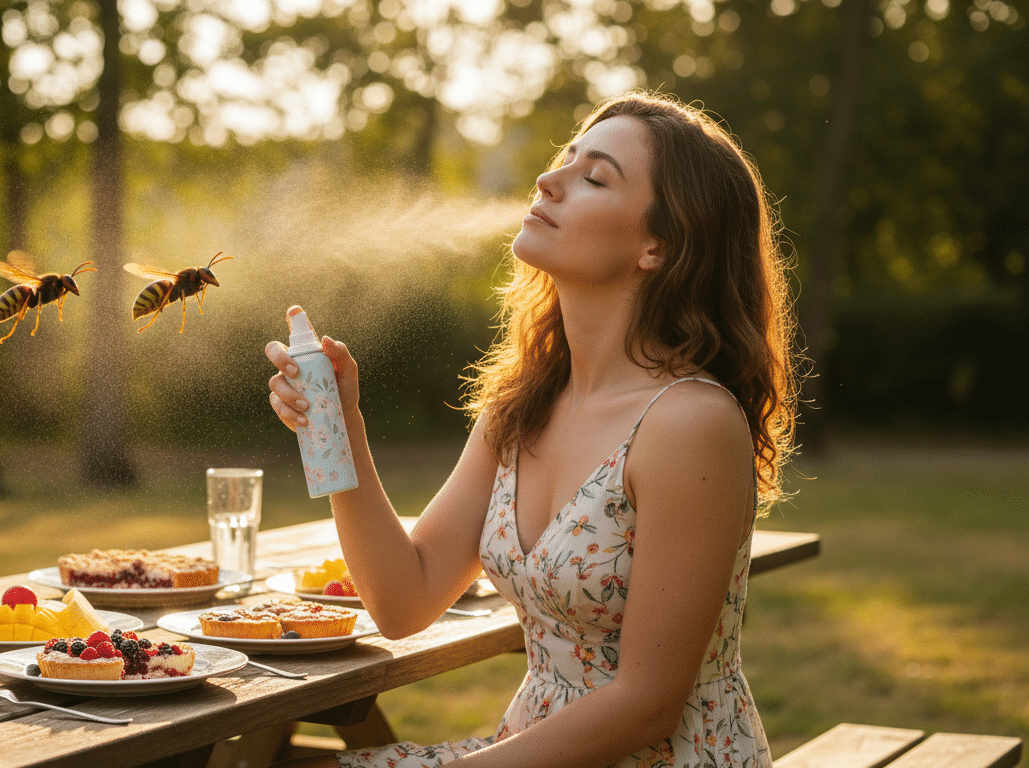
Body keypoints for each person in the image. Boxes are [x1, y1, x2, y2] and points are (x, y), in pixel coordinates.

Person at [264, 91, 797, 768]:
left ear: (657, 246)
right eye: (565, 160)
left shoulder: (689, 422)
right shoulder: (526, 402)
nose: (549, 180)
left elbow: (647, 703)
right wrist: (339, 431)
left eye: (594, 177)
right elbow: (404, 598)